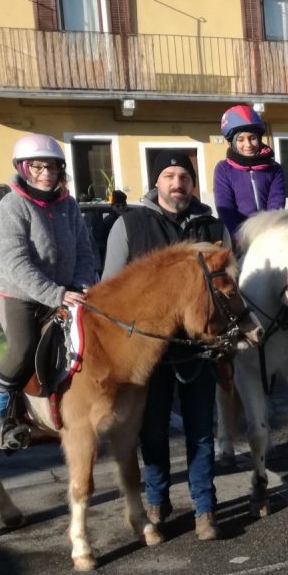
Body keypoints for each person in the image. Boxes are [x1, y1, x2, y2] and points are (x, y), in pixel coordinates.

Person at [102, 149, 233, 541]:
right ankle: (157, 501)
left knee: (201, 432)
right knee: (153, 432)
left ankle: (205, 509)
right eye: (169, 176)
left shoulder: (213, 228)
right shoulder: (130, 225)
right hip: (150, 354)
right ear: (156, 182)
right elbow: (112, 290)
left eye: (184, 177)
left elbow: (228, 289)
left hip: (199, 350)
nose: (178, 184)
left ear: (193, 184)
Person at [0, 134, 97, 450]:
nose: (46, 174)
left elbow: (85, 249)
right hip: (19, 296)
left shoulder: (69, 205)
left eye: (53, 167)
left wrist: (83, 283)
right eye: (38, 167)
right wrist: (55, 293)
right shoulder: (11, 206)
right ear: (23, 168)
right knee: (23, 347)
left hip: (66, 291)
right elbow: (16, 262)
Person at [212, 104, 285, 238]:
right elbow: (225, 207)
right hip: (237, 237)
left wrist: (267, 234)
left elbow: (276, 204)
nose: (248, 145)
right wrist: (238, 237)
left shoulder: (274, 169)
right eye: (240, 139)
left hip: (268, 235)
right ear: (232, 143)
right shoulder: (223, 169)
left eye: (252, 138)